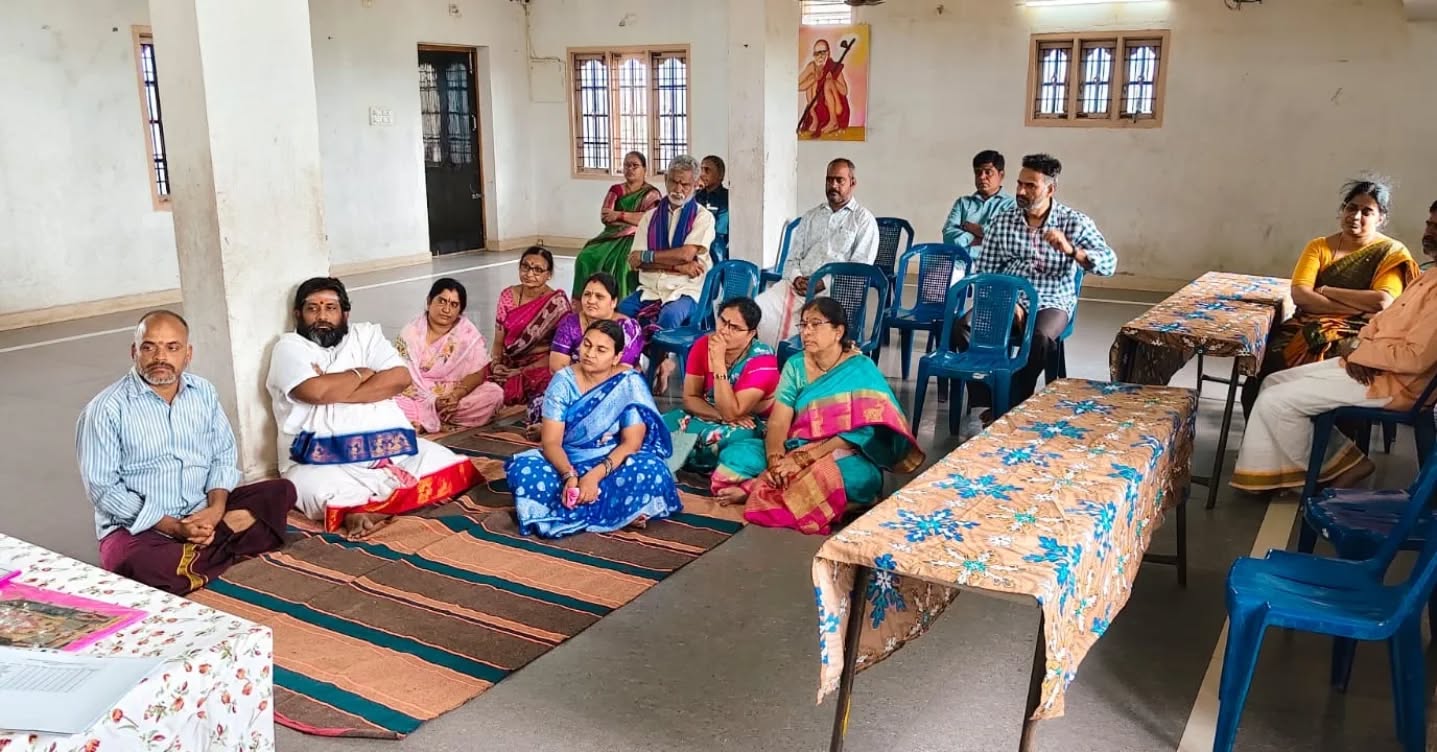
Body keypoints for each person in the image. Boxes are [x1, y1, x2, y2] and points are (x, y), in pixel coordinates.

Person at [76, 311, 295, 595]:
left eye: (172, 347)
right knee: (135, 564)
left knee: (282, 492)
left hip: (202, 510)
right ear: (134, 352)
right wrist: (174, 527)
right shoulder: (105, 410)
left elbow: (223, 455)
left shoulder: (203, 392)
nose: (160, 357)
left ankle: (201, 549)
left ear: (187, 353)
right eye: (149, 347)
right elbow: (104, 490)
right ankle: (221, 542)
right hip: (143, 527)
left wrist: (215, 511)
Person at [267, 278, 477, 536]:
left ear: (345, 313)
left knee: (449, 465)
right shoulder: (289, 347)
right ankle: (367, 508)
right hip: (319, 461)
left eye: (331, 308)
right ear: (298, 314)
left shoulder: (365, 335)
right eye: (313, 309)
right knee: (305, 486)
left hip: (389, 451)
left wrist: (334, 387)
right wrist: (361, 372)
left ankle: (374, 506)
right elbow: (314, 391)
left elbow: (400, 378)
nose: (322, 316)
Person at [1231, 245, 1437, 493]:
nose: (1430, 231)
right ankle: (1329, 465)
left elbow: (1415, 358)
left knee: (1274, 401)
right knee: (1272, 382)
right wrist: (1357, 345)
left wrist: (1361, 353)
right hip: (1372, 363)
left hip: (1398, 384)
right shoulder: (1429, 274)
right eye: (1430, 223)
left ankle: (1328, 474)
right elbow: (1381, 319)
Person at [712, 298, 924, 535]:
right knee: (735, 456)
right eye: (803, 325)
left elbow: (861, 432)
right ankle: (799, 497)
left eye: (815, 324)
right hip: (795, 444)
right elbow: (780, 420)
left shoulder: (860, 368)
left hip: (839, 452)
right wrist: (775, 460)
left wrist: (802, 461)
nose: (807, 332)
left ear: (838, 331)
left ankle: (753, 491)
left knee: (858, 479)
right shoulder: (795, 365)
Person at [952, 153, 1117, 426]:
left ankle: (1012, 403)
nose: (1021, 191)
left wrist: (1072, 250)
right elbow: (985, 272)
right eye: (1019, 184)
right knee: (963, 328)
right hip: (1008, 297)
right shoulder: (1003, 222)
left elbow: (1109, 263)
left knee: (1040, 336)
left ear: (1050, 189)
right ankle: (993, 397)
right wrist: (1006, 301)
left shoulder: (1074, 222)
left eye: (1031, 186)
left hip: (1052, 299)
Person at [1239, 179, 1417, 415]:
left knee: (1345, 366)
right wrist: (1358, 305)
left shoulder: (1391, 253)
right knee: (1268, 362)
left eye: (1367, 212)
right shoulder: (1319, 247)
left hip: (1360, 330)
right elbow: (1301, 295)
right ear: (1342, 210)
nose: (1356, 216)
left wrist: (1325, 291)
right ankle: (1268, 432)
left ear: (1380, 218)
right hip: (1306, 325)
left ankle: (1328, 440)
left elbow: (1382, 301)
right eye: (1351, 208)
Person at [505, 320, 682, 538]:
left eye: (601, 350)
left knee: (653, 470)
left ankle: (586, 507)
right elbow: (551, 442)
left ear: (616, 357)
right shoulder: (562, 382)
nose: (590, 353)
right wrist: (569, 476)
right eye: (586, 345)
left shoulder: (627, 383)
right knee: (524, 470)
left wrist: (595, 476)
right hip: (566, 461)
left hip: (611, 462)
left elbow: (632, 443)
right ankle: (622, 510)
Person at [754, 158, 879, 346]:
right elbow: (792, 258)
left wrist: (823, 283)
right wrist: (797, 278)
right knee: (757, 308)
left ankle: (798, 363)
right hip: (798, 287)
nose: (833, 185)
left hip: (834, 293)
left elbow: (858, 271)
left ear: (852, 183)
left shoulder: (863, 220)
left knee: (814, 326)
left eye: (839, 180)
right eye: (829, 180)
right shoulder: (811, 216)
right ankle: (771, 363)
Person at [618, 153, 716, 390]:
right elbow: (634, 259)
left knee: (669, 317)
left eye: (685, 183)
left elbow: (686, 253)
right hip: (651, 288)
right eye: (673, 181)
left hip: (686, 289)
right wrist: (679, 266)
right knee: (621, 313)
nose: (678, 188)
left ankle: (662, 362)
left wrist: (650, 257)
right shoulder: (650, 217)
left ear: (695, 185)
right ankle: (644, 365)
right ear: (665, 180)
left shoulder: (703, 217)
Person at [662, 297, 780, 472]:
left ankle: (683, 452)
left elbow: (733, 412)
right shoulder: (703, 345)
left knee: (737, 438)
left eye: (735, 328)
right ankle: (691, 453)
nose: (724, 331)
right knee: (660, 423)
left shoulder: (762, 359)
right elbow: (690, 398)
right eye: (723, 321)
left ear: (751, 333)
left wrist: (718, 361)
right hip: (712, 414)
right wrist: (720, 416)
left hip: (751, 423)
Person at [393, 278, 504, 433]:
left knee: (494, 394)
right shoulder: (411, 332)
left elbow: (478, 373)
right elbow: (405, 375)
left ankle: (425, 420)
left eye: (454, 305)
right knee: (391, 402)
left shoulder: (467, 333)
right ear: (429, 301)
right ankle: (433, 417)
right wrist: (433, 402)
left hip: (454, 394)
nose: (446, 309)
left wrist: (456, 395)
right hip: (417, 394)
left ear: (460, 310)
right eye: (442, 301)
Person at [490, 246, 572, 411]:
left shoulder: (557, 303)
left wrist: (522, 371)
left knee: (552, 385)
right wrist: (496, 364)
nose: (529, 274)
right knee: (481, 382)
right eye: (525, 267)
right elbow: (498, 340)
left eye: (537, 270)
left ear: (548, 275)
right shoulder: (507, 295)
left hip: (541, 363)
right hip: (510, 361)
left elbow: (560, 352)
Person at [573, 151, 661, 300]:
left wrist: (620, 215)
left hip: (638, 238)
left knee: (624, 263)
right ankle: (587, 302)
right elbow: (606, 216)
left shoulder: (651, 194)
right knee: (584, 257)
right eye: (627, 165)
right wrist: (632, 218)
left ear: (644, 170)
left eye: (635, 166)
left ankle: (622, 306)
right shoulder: (616, 190)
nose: (630, 169)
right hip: (611, 237)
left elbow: (649, 219)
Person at [941, 149, 1017, 264]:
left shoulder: (1012, 205)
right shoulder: (963, 203)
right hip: (959, 264)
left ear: (1001, 175)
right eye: (978, 172)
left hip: (993, 267)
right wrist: (975, 237)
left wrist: (974, 228)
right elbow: (948, 235)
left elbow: (1004, 240)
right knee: (934, 278)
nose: (982, 177)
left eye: (988, 172)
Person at [798, 38, 850, 139]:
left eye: (823, 52)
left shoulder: (833, 67)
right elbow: (797, 85)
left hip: (835, 107)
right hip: (819, 108)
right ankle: (814, 118)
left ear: (828, 53)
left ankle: (833, 121)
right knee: (811, 81)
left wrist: (833, 80)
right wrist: (814, 79)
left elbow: (844, 91)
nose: (820, 56)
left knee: (828, 83)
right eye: (817, 53)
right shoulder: (812, 66)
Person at [695, 155, 730, 261]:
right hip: (694, 242)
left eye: (707, 170)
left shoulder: (726, 198)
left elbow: (720, 231)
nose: (702, 174)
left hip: (716, 246)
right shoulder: (696, 196)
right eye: (701, 169)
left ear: (720, 175)